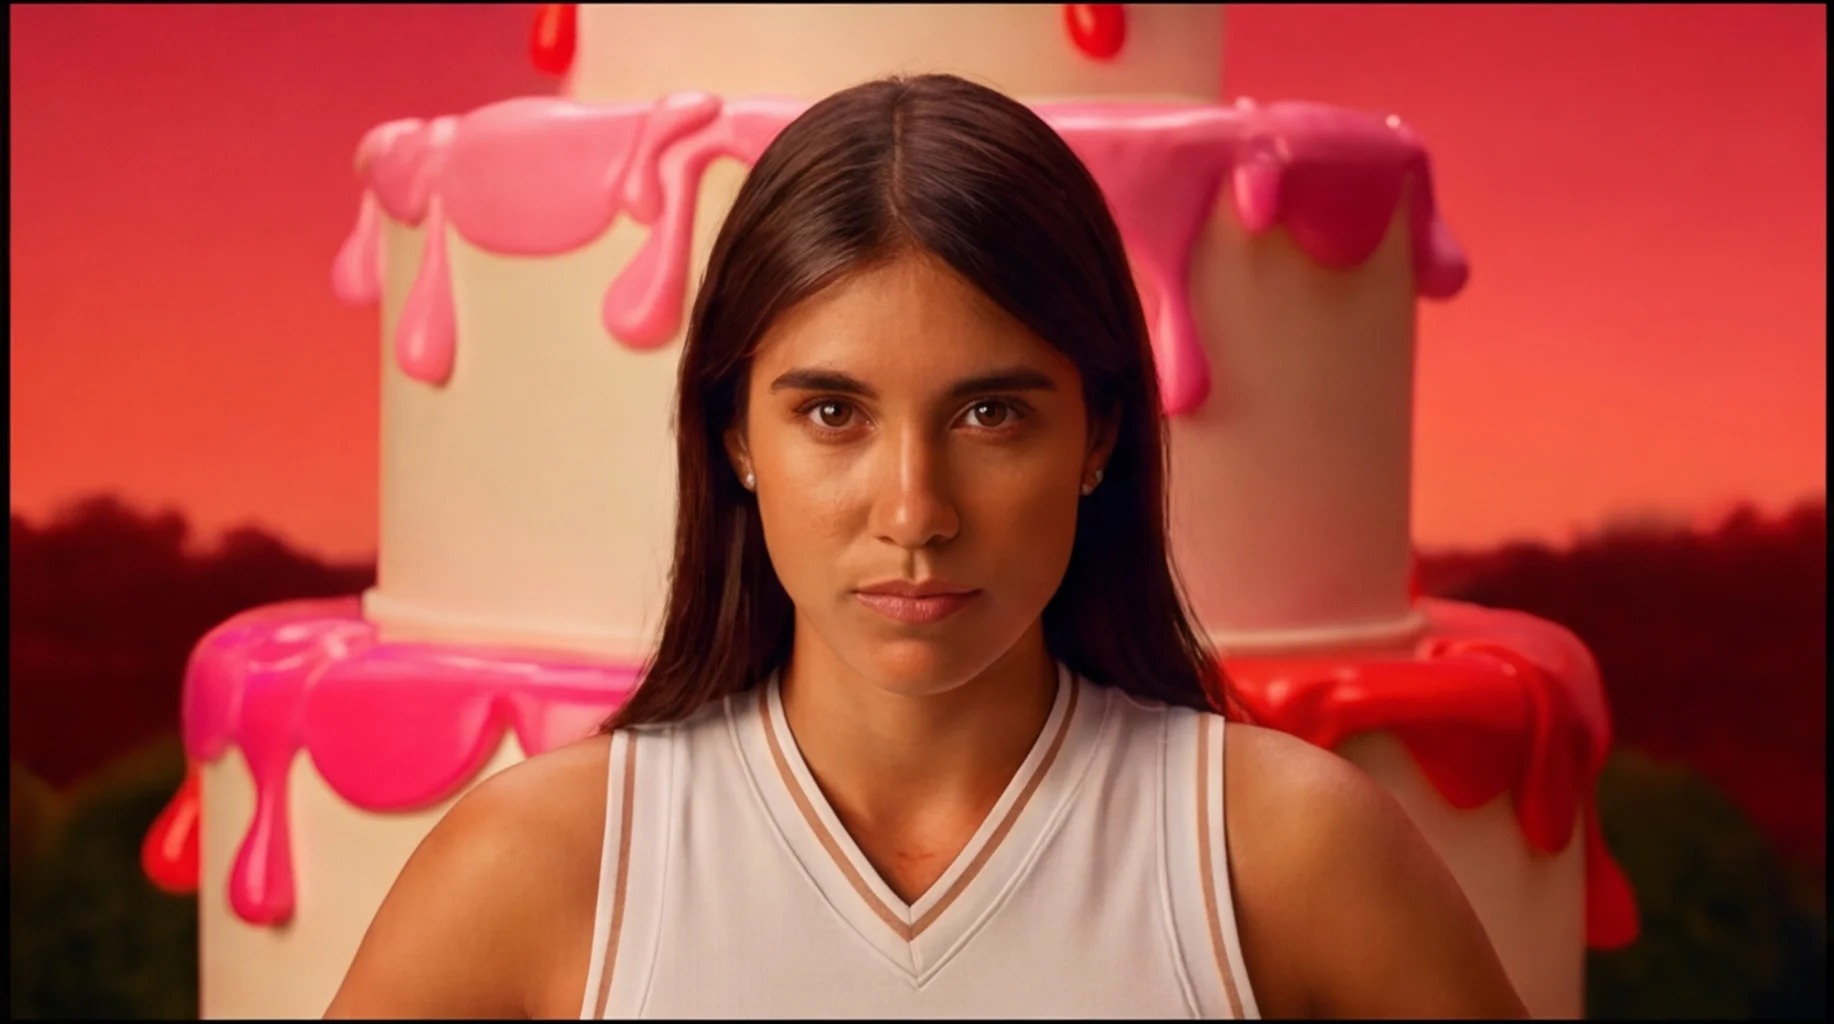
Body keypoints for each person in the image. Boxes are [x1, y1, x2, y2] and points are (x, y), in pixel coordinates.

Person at [327, 73, 1526, 1020]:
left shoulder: (1289, 854)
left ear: (1099, 432)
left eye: (989, 413)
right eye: (831, 413)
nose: (914, 512)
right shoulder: (543, 864)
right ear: (734, 433)